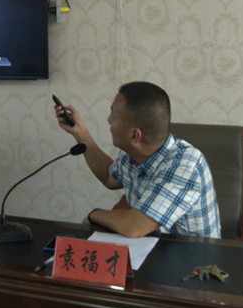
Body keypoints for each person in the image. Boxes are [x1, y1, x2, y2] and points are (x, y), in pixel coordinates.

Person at [55, 81, 220, 238]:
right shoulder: (132, 154)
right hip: (149, 246)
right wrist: (80, 132)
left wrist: (94, 214)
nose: (109, 120)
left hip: (194, 255)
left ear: (135, 135)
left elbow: (134, 226)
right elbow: (108, 176)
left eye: (114, 116)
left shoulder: (185, 164)